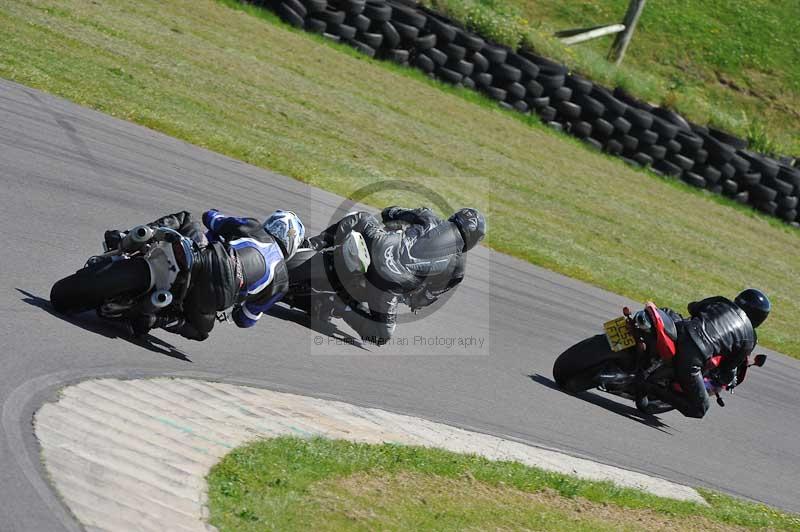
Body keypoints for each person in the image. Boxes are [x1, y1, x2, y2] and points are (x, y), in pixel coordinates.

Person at [105, 208, 305, 341]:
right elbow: (245, 320)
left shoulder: (255, 228)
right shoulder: (281, 283)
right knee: (202, 332)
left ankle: (129, 236)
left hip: (204, 259)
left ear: (272, 223)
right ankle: (155, 320)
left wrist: (216, 215)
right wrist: (239, 306)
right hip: (212, 299)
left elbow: (210, 218)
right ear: (293, 247)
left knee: (185, 218)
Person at [304, 206, 486, 345]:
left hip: (378, 245)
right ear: (473, 240)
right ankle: (341, 307)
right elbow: (423, 298)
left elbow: (389, 212)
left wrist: (395, 225)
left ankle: (312, 245)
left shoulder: (428, 216)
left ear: (454, 217)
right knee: (381, 334)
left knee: (361, 217)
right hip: (389, 285)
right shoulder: (457, 269)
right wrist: (408, 295)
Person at [638, 289, 771, 418]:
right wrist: (726, 378)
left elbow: (692, 307)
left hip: (681, 330)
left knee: (670, 316)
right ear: (759, 318)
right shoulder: (749, 338)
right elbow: (728, 367)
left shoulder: (721, 301)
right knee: (700, 408)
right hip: (693, 356)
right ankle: (648, 386)